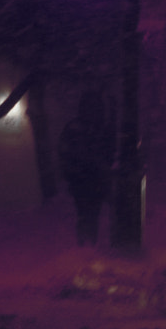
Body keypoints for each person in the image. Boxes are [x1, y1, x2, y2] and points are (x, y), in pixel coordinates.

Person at [58, 89, 113, 247]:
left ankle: (86, 243)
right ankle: (87, 243)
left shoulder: (77, 128)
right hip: (89, 178)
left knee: (86, 212)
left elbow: (65, 152)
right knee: (89, 213)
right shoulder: (97, 129)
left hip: (84, 178)